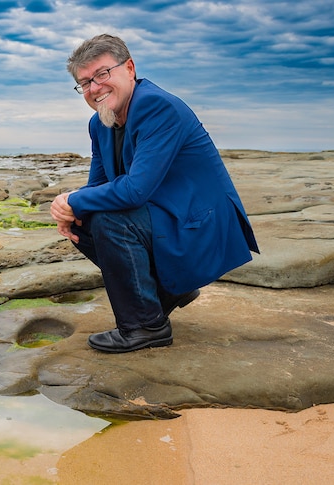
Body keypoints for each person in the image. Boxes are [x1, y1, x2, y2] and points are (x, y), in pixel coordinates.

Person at [50, 34, 259, 353]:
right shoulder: (99, 123)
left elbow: (134, 190)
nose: (95, 88)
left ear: (129, 68)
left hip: (200, 226)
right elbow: (98, 185)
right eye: (85, 82)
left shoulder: (154, 105)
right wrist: (72, 211)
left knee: (110, 220)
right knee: (86, 219)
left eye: (102, 74)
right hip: (167, 217)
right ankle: (169, 291)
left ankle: (146, 326)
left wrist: (71, 200)